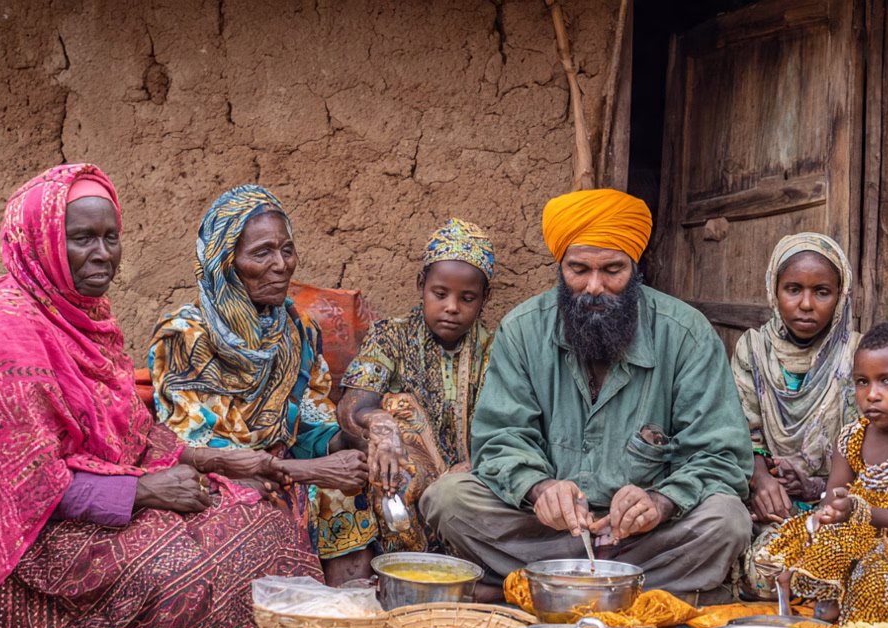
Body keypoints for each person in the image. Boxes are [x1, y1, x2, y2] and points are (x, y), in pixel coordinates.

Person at [0, 165, 323, 628]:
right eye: (81, 238)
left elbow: (128, 432)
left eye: (110, 237)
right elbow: (17, 490)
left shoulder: (81, 316)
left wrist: (214, 458)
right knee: (179, 574)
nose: (102, 254)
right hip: (7, 556)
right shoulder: (0, 337)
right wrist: (146, 491)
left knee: (267, 530)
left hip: (82, 514)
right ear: (41, 241)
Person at [419, 188, 753, 604]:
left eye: (612, 270)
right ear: (561, 268)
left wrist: (661, 502)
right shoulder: (522, 330)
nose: (594, 287)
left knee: (727, 520)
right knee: (447, 499)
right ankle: (629, 593)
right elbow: (500, 437)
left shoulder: (686, 334)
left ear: (636, 269)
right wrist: (539, 489)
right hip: (546, 531)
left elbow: (721, 455)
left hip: (645, 538)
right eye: (579, 269)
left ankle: (534, 591)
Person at [149, 185, 373, 584]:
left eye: (287, 249)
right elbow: (196, 447)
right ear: (225, 262)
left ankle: (349, 616)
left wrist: (354, 443)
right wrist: (311, 470)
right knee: (254, 507)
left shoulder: (297, 331)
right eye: (262, 252)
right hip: (215, 475)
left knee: (348, 494)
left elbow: (308, 420)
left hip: (285, 464)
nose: (281, 264)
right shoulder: (185, 337)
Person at [756, 322, 888, 623]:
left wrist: (854, 510)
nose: (872, 394)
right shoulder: (852, 437)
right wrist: (826, 515)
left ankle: (841, 601)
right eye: (862, 382)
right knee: (776, 552)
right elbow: (832, 500)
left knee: (879, 576)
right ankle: (826, 595)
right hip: (858, 532)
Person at [336, 219, 496, 554]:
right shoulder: (390, 337)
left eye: (467, 298)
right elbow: (354, 405)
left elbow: (509, 424)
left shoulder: (495, 351)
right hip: (403, 477)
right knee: (397, 412)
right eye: (440, 294)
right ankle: (407, 565)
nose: (452, 307)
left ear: (485, 298)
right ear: (421, 284)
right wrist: (381, 425)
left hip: (473, 482)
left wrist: (476, 464)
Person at [734, 233, 860, 598]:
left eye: (822, 292)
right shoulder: (753, 350)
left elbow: (862, 446)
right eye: (793, 289)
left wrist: (816, 490)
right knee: (763, 572)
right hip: (764, 497)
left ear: (841, 297)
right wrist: (761, 480)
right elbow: (742, 433)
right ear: (774, 292)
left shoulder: (855, 355)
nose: (806, 304)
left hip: (834, 500)